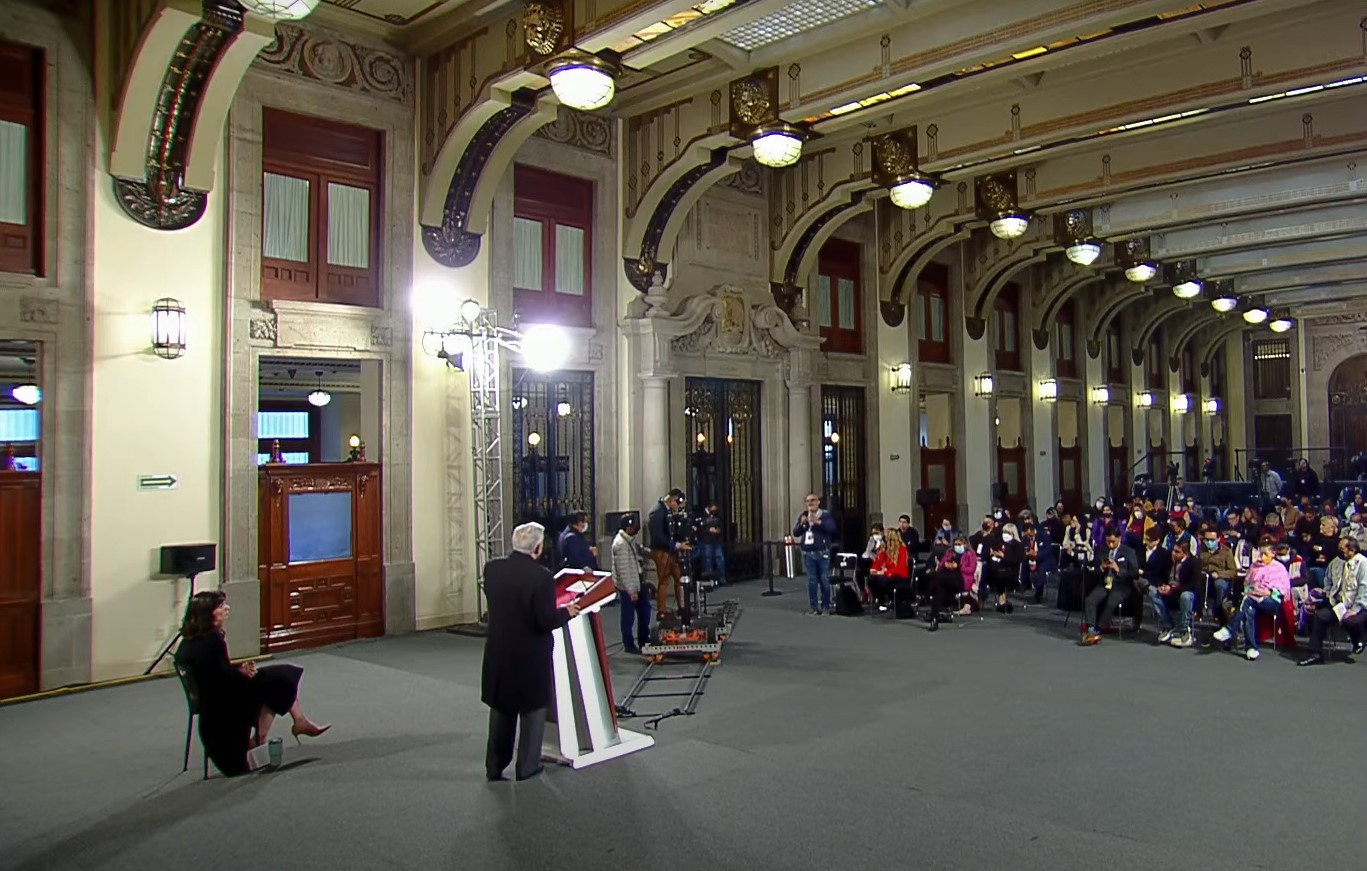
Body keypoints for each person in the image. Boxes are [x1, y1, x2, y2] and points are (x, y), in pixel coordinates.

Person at [174, 591, 329, 777]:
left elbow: (214, 673)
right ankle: (262, 738)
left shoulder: (188, 643)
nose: (227, 609)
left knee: (279, 677)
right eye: (222, 606)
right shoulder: (213, 641)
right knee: (280, 680)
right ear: (210, 614)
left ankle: (296, 721)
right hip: (225, 711)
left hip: (212, 708)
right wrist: (243, 674)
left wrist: (239, 671)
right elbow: (222, 682)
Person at [482, 522, 581, 782]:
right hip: (530, 656)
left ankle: (494, 766)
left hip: (500, 652)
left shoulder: (492, 570)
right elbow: (544, 620)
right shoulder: (541, 577)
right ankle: (527, 767)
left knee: (501, 710)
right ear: (538, 548)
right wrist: (566, 613)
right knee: (532, 711)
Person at [1212, 543, 1291, 660]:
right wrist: (1250, 590)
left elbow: (1284, 589)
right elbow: (1247, 584)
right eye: (1261, 553)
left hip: (1272, 601)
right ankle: (1251, 648)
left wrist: (1268, 592)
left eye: (1265, 554)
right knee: (1249, 610)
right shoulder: (1254, 566)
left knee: (1248, 602)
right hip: (1253, 598)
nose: (1262, 556)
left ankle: (1229, 629)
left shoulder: (1279, 568)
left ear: (1273, 554)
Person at [1298, 537, 1367, 665]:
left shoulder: (1363, 564)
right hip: (1338, 604)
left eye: (1342, 549)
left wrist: (1354, 609)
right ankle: (1316, 654)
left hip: (1359, 605)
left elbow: (1364, 589)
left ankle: (1359, 639)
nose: (1339, 552)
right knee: (1319, 616)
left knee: (1350, 621)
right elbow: (1328, 580)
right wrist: (1328, 594)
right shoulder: (1336, 562)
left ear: (1352, 550)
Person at [1080, 530, 1139, 645]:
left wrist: (1118, 570)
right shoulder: (1102, 551)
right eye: (1108, 542)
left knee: (1111, 602)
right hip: (1105, 583)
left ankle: (1100, 627)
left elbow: (1134, 573)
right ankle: (1091, 627)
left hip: (1122, 585)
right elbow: (1094, 570)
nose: (1110, 545)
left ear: (1119, 538)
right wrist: (1101, 568)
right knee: (1090, 600)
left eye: (1113, 541)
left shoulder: (1128, 552)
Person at [611, 514, 651, 654]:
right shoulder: (620, 544)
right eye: (634, 525)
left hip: (637, 582)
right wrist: (631, 591)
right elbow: (623, 570)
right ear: (628, 527)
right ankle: (628, 644)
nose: (636, 528)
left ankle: (644, 640)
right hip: (629, 586)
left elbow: (638, 549)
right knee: (628, 617)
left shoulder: (629, 540)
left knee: (645, 611)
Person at [793, 492, 838, 615]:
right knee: (812, 580)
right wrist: (803, 524)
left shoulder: (825, 515)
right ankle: (813, 607)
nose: (810, 503)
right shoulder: (804, 516)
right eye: (808, 501)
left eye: (813, 500)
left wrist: (819, 523)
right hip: (808, 553)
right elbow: (796, 532)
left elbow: (832, 529)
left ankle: (825, 607)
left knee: (824, 579)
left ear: (818, 502)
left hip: (822, 552)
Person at [1150, 540, 1200, 647]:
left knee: (1186, 596)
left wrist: (1172, 589)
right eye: (1173, 550)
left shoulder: (1193, 563)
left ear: (1185, 554)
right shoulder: (1168, 559)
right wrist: (1161, 585)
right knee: (1152, 591)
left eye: (1177, 552)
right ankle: (1167, 625)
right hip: (1168, 589)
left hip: (1183, 591)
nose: (1173, 553)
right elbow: (1158, 575)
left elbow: (1193, 584)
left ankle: (1184, 630)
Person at [647, 488, 689, 616]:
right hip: (661, 551)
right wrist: (677, 545)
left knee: (678, 577)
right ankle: (662, 611)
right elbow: (659, 537)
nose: (678, 506)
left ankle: (682, 607)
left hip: (670, 551)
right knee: (664, 580)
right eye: (677, 502)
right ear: (671, 500)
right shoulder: (657, 512)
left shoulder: (666, 511)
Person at [928, 535, 978, 627]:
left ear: (965, 544)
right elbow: (940, 565)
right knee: (940, 589)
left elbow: (971, 570)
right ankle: (935, 617)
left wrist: (958, 566)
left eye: (959, 544)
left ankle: (930, 601)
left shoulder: (971, 554)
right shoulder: (949, 552)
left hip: (961, 578)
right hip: (946, 576)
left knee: (936, 578)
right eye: (955, 544)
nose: (957, 546)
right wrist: (946, 565)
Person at [1199, 525, 1239, 624]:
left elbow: (1233, 571)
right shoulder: (1200, 550)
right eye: (1207, 539)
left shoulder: (1226, 551)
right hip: (1204, 575)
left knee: (1219, 585)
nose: (1209, 542)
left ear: (1218, 539)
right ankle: (1198, 612)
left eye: (1212, 539)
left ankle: (1218, 614)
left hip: (1220, 577)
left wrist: (1219, 574)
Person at [867, 528, 910, 611]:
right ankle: (881, 600)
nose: (885, 540)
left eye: (886, 538)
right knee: (871, 579)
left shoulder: (902, 549)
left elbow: (901, 568)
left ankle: (889, 600)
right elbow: (878, 562)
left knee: (883, 580)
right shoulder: (884, 549)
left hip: (899, 575)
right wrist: (874, 569)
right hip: (886, 574)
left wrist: (885, 572)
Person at [987, 522, 1025, 614]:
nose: (1005, 535)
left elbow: (1015, 560)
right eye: (1004, 532)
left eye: (1007, 533)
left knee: (1000, 576)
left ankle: (1002, 601)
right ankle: (1002, 601)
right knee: (988, 571)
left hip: (1012, 571)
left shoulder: (1018, 545)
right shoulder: (1001, 544)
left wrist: (1003, 556)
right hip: (999, 568)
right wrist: (993, 555)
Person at [695, 502, 727, 585]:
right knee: (707, 560)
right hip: (706, 542)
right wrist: (708, 530)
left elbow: (720, 524)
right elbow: (698, 529)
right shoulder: (701, 515)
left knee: (720, 559)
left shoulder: (717, 515)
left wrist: (718, 530)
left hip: (716, 541)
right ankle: (709, 582)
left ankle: (721, 579)